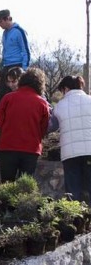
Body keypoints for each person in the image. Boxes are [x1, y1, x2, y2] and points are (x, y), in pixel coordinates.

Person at [0, 67, 49, 182]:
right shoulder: (42, 103)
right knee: (25, 187)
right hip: (31, 148)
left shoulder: (7, 98)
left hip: (8, 146)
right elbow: (44, 128)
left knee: (6, 184)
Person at [48, 75, 91, 203]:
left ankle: (74, 220)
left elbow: (51, 127)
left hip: (70, 154)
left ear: (66, 88)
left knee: (73, 191)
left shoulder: (60, 106)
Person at [0, 9, 30, 106]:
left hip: (17, 66)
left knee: (16, 95)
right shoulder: (5, 33)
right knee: (1, 96)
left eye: (0, 21)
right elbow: (5, 50)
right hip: (6, 66)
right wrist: (1, 65)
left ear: (7, 19)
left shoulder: (19, 31)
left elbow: (25, 50)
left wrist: (24, 70)